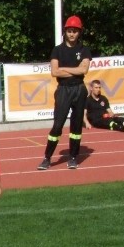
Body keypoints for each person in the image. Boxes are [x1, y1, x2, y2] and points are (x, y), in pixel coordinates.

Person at [38, 15, 92, 171]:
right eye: (69, 31)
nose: (72, 34)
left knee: (76, 127)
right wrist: (74, 71)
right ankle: (47, 158)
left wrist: (65, 69)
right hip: (63, 90)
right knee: (57, 125)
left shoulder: (84, 50)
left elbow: (84, 70)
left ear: (79, 32)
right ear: (65, 31)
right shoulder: (57, 50)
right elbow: (55, 72)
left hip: (79, 89)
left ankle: (73, 157)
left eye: (75, 31)